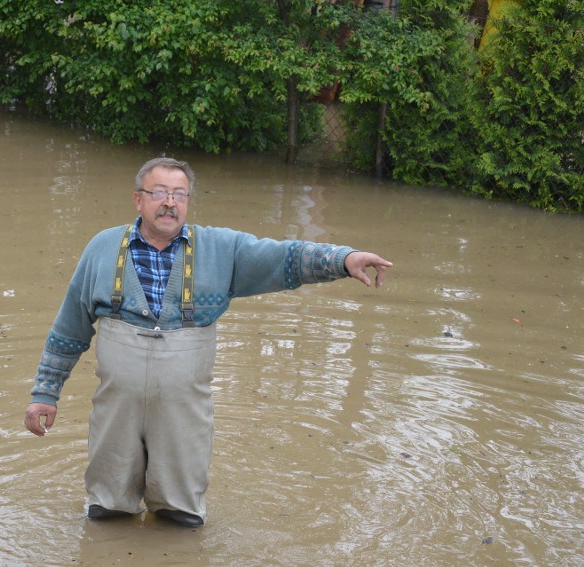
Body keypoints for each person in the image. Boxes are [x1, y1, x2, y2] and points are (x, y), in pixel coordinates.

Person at [24, 157, 393, 528]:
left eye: (179, 194)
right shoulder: (102, 248)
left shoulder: (223, 250)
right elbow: (70, 329)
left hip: (185, 414)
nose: (170, 202)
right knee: (106, 514)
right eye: (159, 193)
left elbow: (287, 258)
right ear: (138, 199)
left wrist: (344, 259)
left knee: (180, 518)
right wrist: (45, 393)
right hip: (115, 412)